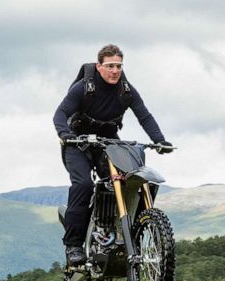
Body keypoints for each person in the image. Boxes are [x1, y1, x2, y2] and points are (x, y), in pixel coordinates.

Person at [53, 44, 172, 266]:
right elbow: (60, 114)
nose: (115, 70)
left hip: (107, 140)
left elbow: (144, 115)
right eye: (110, 66)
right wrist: (66, 134)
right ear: (99, 66)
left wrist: (160, 140)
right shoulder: (83, 88)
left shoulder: (126, 90)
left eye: (119, 66)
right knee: (83, 186)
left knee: (126, 181)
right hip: (77, 140)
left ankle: (120, 233)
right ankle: (74, 246)